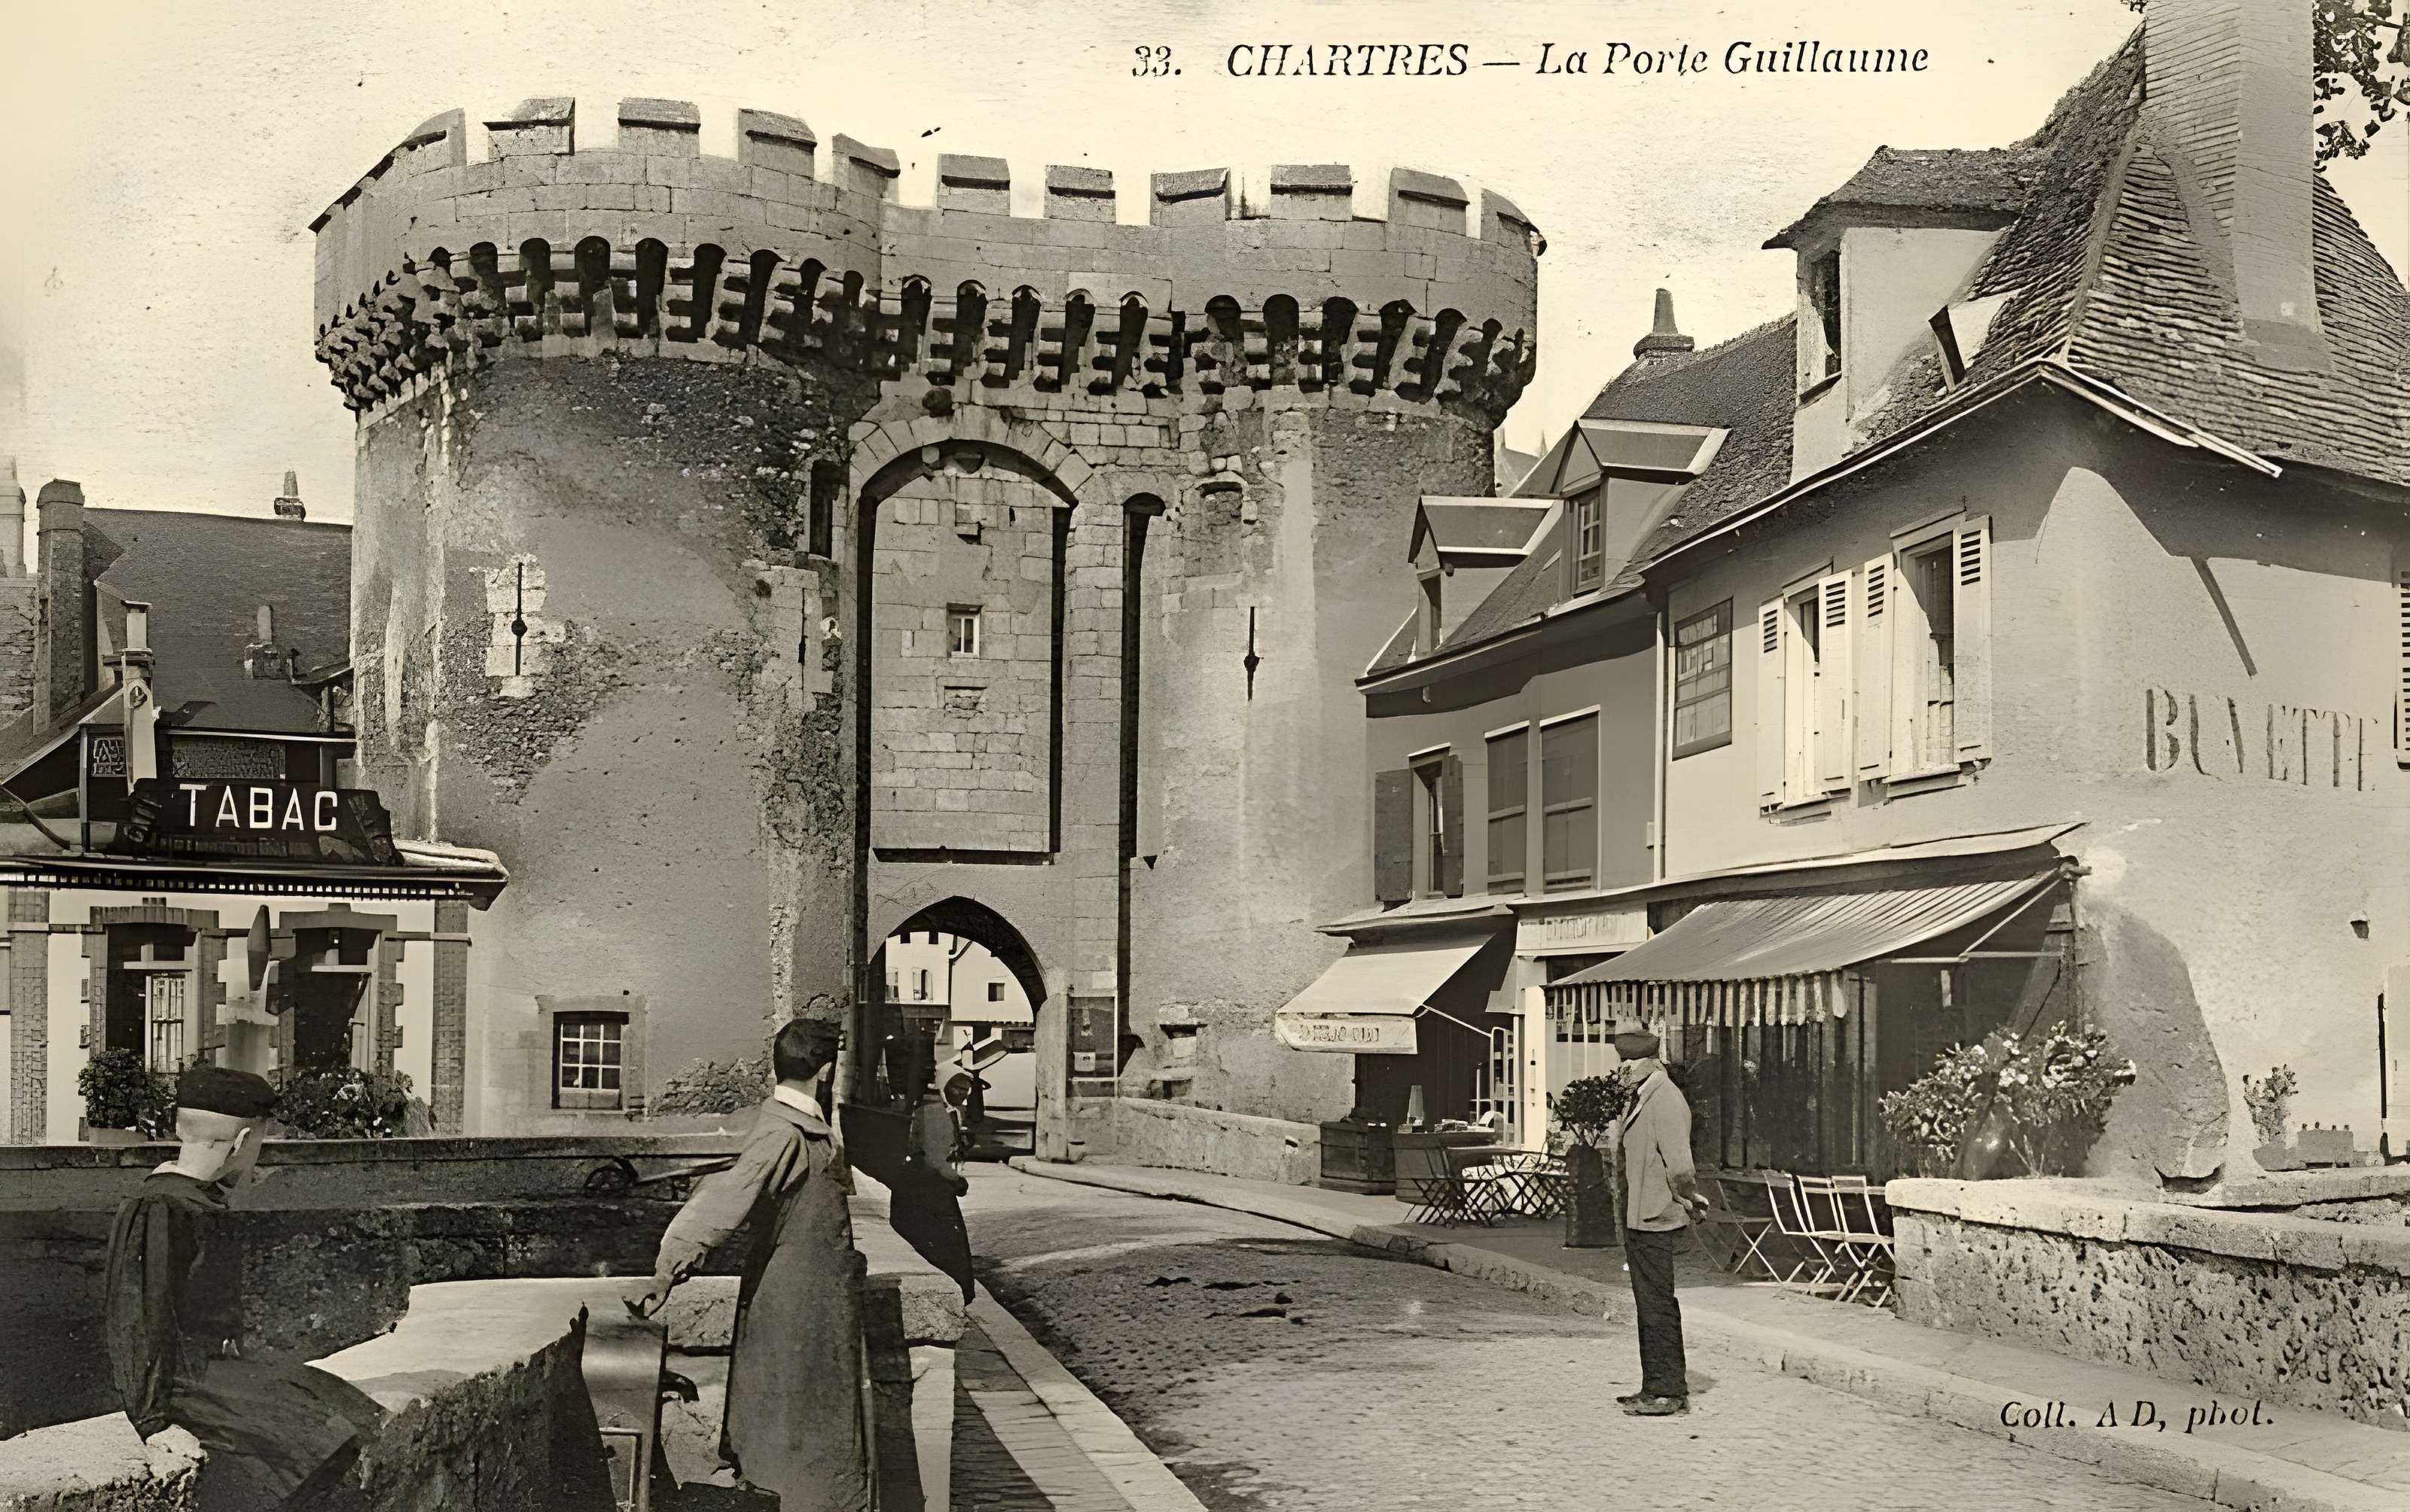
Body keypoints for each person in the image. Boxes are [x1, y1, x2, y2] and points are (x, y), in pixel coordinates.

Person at [105, 1065, 388, 1511]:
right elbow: (138, 1315)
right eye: (259, 1143)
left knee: (350, 1415)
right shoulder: (160, 1205)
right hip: (185, 1381)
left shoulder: (197, 1199)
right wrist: (153, 1422)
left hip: (216, 1372)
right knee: (315, 1435)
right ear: (240, 1143)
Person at [628, 1017, 871, 1511]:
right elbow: (720, 1205)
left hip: (814, 1308)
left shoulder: (792, 1127)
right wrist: (667, 1269)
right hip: (794, 1313)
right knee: (791, 1438)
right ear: (825, 1072)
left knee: (806, 1432)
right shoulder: (781, 1134)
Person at [1612, 1023, 1709, 1418]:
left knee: (1658, 1305)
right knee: (1648, 1304)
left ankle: (1669, 1391)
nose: (1623, 1069)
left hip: (1657, 1215)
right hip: (1638, 1216)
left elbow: (1680, 1166)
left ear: (1651, 1061)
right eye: (1622, 1061)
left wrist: (1689, 1199)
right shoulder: (1640, 1097)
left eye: (1630, 1062)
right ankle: (1654, 1386)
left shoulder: (1666, 1099)